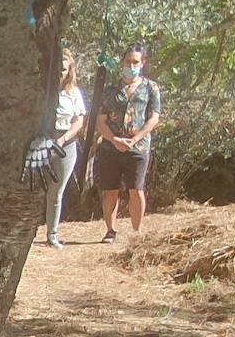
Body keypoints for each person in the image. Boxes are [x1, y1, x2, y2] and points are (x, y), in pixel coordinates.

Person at [95, 43, 161, 243]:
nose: (131, 65)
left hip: (138, 148)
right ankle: (110, 231)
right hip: (110, 147)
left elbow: (154, 118)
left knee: (136, 189)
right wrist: (114, 139)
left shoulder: (151, 88)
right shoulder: (110, 90)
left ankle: (136, 232)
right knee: (110, 190)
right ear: (121, 62)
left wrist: (135, 139)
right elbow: (100, 121)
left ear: (142, 63)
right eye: (127, 62)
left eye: (135, 62)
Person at [44, 49, 87, 249]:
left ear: (69, 69)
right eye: (57, 69)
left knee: (56, 191)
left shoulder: (74, 93)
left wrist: (63, 139)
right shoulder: (43, 91)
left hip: (66, 145)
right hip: (42, 143)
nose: (60, 73)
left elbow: (79, 121)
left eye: (63, 69)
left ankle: (52, 234)